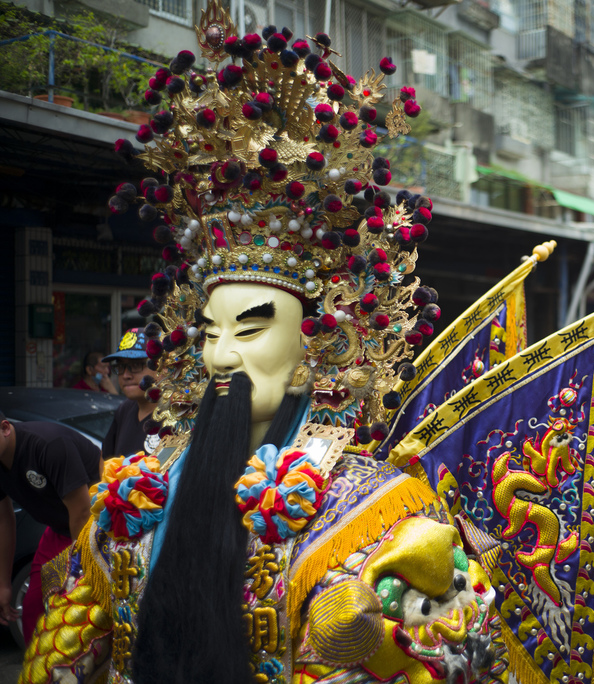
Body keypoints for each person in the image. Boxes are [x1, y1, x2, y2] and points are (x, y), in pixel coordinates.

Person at [20, 19, 505, 684]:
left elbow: (453, 655)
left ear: (318, 343)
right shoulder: (134, 501)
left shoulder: (373, 514)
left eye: (249, 331)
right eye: (211, 333)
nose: (222, 358)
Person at [0, 412, 100, 643]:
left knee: (85, 615)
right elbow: (4, 520)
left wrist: (78, 573)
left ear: (5, 428)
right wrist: (4, 584)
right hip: (58, 531)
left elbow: (82, 512)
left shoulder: (48, 445)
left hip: (96, 529)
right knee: (34, 606)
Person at [100, 328, 162, 458]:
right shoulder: (125, 409)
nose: (126, 375)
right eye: (120, 367)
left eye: (136, 365)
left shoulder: (179, 415)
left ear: (163, 367)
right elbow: (105, 460)